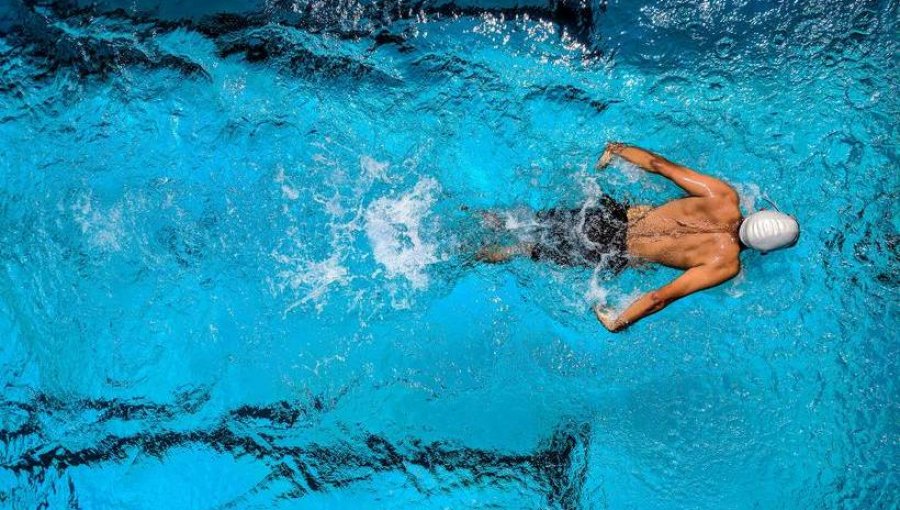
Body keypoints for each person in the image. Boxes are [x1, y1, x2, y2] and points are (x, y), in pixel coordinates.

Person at [476, 142, 800, 332]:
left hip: (609, 215)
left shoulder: (723, 196)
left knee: (522, 222)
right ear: (764, 250)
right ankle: (470, 255)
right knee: (525, 248)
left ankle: (475, 215)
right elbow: (660, 297)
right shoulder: (725, 264)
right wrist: (619, 322)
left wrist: (617, 149)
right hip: (612, 252)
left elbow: (660, 165)